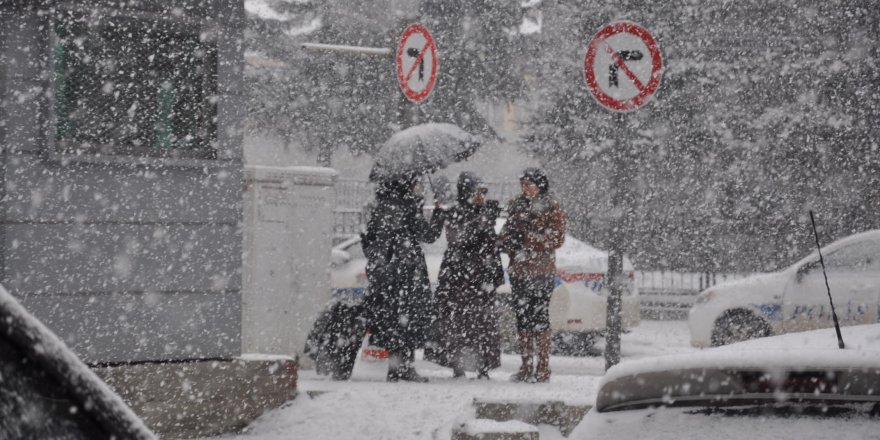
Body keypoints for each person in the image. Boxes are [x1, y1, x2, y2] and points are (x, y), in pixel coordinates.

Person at [361, 174, 444, 382]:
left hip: (387, 272)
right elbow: (429, 235)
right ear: (405, 185)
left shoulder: (379, 207)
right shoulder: (407, 207)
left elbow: (368, 240)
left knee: (393, 318)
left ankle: (394, 367)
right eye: (416, 183)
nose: (419, 187)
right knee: (410, 316)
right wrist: (438, 214)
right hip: (407, 270)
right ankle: (406, 366)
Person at [429, 172, 504, 379]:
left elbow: (490, 244)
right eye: (476, 192)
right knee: (457, 323)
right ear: (466, 192)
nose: (481, 196)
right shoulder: (455, 213)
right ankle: (457, 365)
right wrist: (482, 222)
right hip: (458, 277)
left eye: (483, 192)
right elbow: (460, 240)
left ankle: (484, 367)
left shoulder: (485, 212)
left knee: (483, 323)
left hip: (481, 277)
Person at [499, 168, 566, 383]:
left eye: (530, 183)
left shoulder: (550, 206)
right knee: (522, 318)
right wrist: (507, 241)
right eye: (523, 183)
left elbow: (557, 238)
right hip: (519, 270)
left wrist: (529, 239)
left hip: (541, 271)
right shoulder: (516, 205)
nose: (526, 187)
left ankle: (543, 367)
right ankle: (526, 366)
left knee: (540, 317)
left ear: (540, 185)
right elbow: (506, 233)